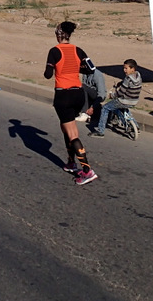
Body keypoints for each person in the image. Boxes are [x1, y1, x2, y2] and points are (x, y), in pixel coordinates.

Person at [43, 21, 98, 185]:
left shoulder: (54, 51)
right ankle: (71, 162)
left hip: (63, 95)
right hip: (78, 94)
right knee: (66, 126)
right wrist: (75, 69)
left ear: (58, 35)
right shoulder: (78, 50)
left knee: (72, 133)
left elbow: (47, 74)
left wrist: (57, 68)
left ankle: (87, 170)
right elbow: (91, 69)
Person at [89, 59, 142, 137]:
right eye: (124, 68)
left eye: (126, 68)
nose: (124, 70)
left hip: (124, 100)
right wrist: (121, 82)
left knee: (105, 108)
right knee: (123, 108)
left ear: (132, 69)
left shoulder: (128, 79)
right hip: (134, 100)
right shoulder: (138, 76)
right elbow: (129, 85)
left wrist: (112, 96)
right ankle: (136, 127)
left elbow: (121, 93)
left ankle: (100, 131)